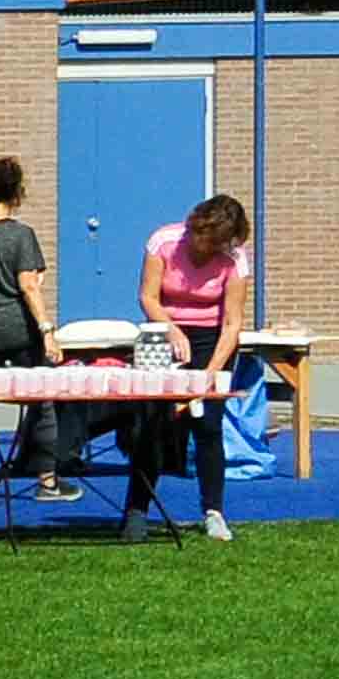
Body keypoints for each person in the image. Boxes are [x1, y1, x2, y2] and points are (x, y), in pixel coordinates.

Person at [0, 156, 81, 506]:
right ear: (16, 192)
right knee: (42, 400)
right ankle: (47, 480)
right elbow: (28, 286)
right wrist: (47, 330)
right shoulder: (21, 235)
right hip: (18, 329)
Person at [133, 191, 256, 542]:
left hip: (211, 341)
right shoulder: (164, 242)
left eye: (214, 244)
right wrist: (171, 329)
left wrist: (210, 374)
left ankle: (213, 512)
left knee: (207, 425)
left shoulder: (234, 259)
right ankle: (137, 510)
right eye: (201, 239)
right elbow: (148, 297)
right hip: (163, 331)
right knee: (154, 423)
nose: (203, 249)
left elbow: (232, 323)